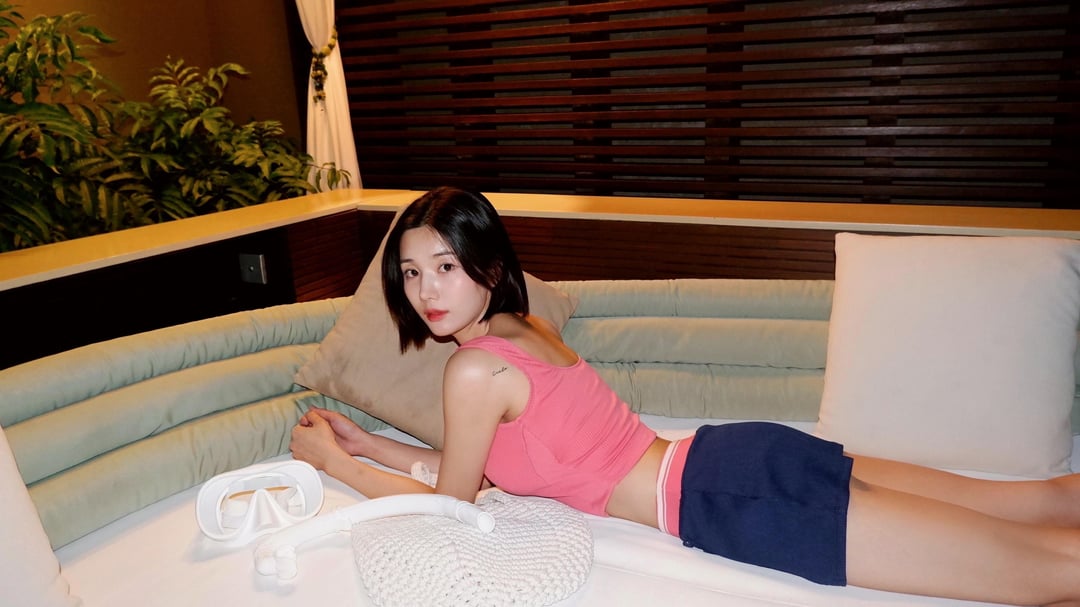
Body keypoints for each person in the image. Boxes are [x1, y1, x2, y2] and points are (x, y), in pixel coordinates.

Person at [290, 186, 1080, 605]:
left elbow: (452, 508)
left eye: (444, 266)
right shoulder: (521, 328)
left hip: (724, 498)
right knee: (1039, 504)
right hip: (736, 457)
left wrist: (336, 464)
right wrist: (370, 442)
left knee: (1049, 575)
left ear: (488, 266)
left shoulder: (473, 371)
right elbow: (474, 462)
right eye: (411, 272)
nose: (426, 290)